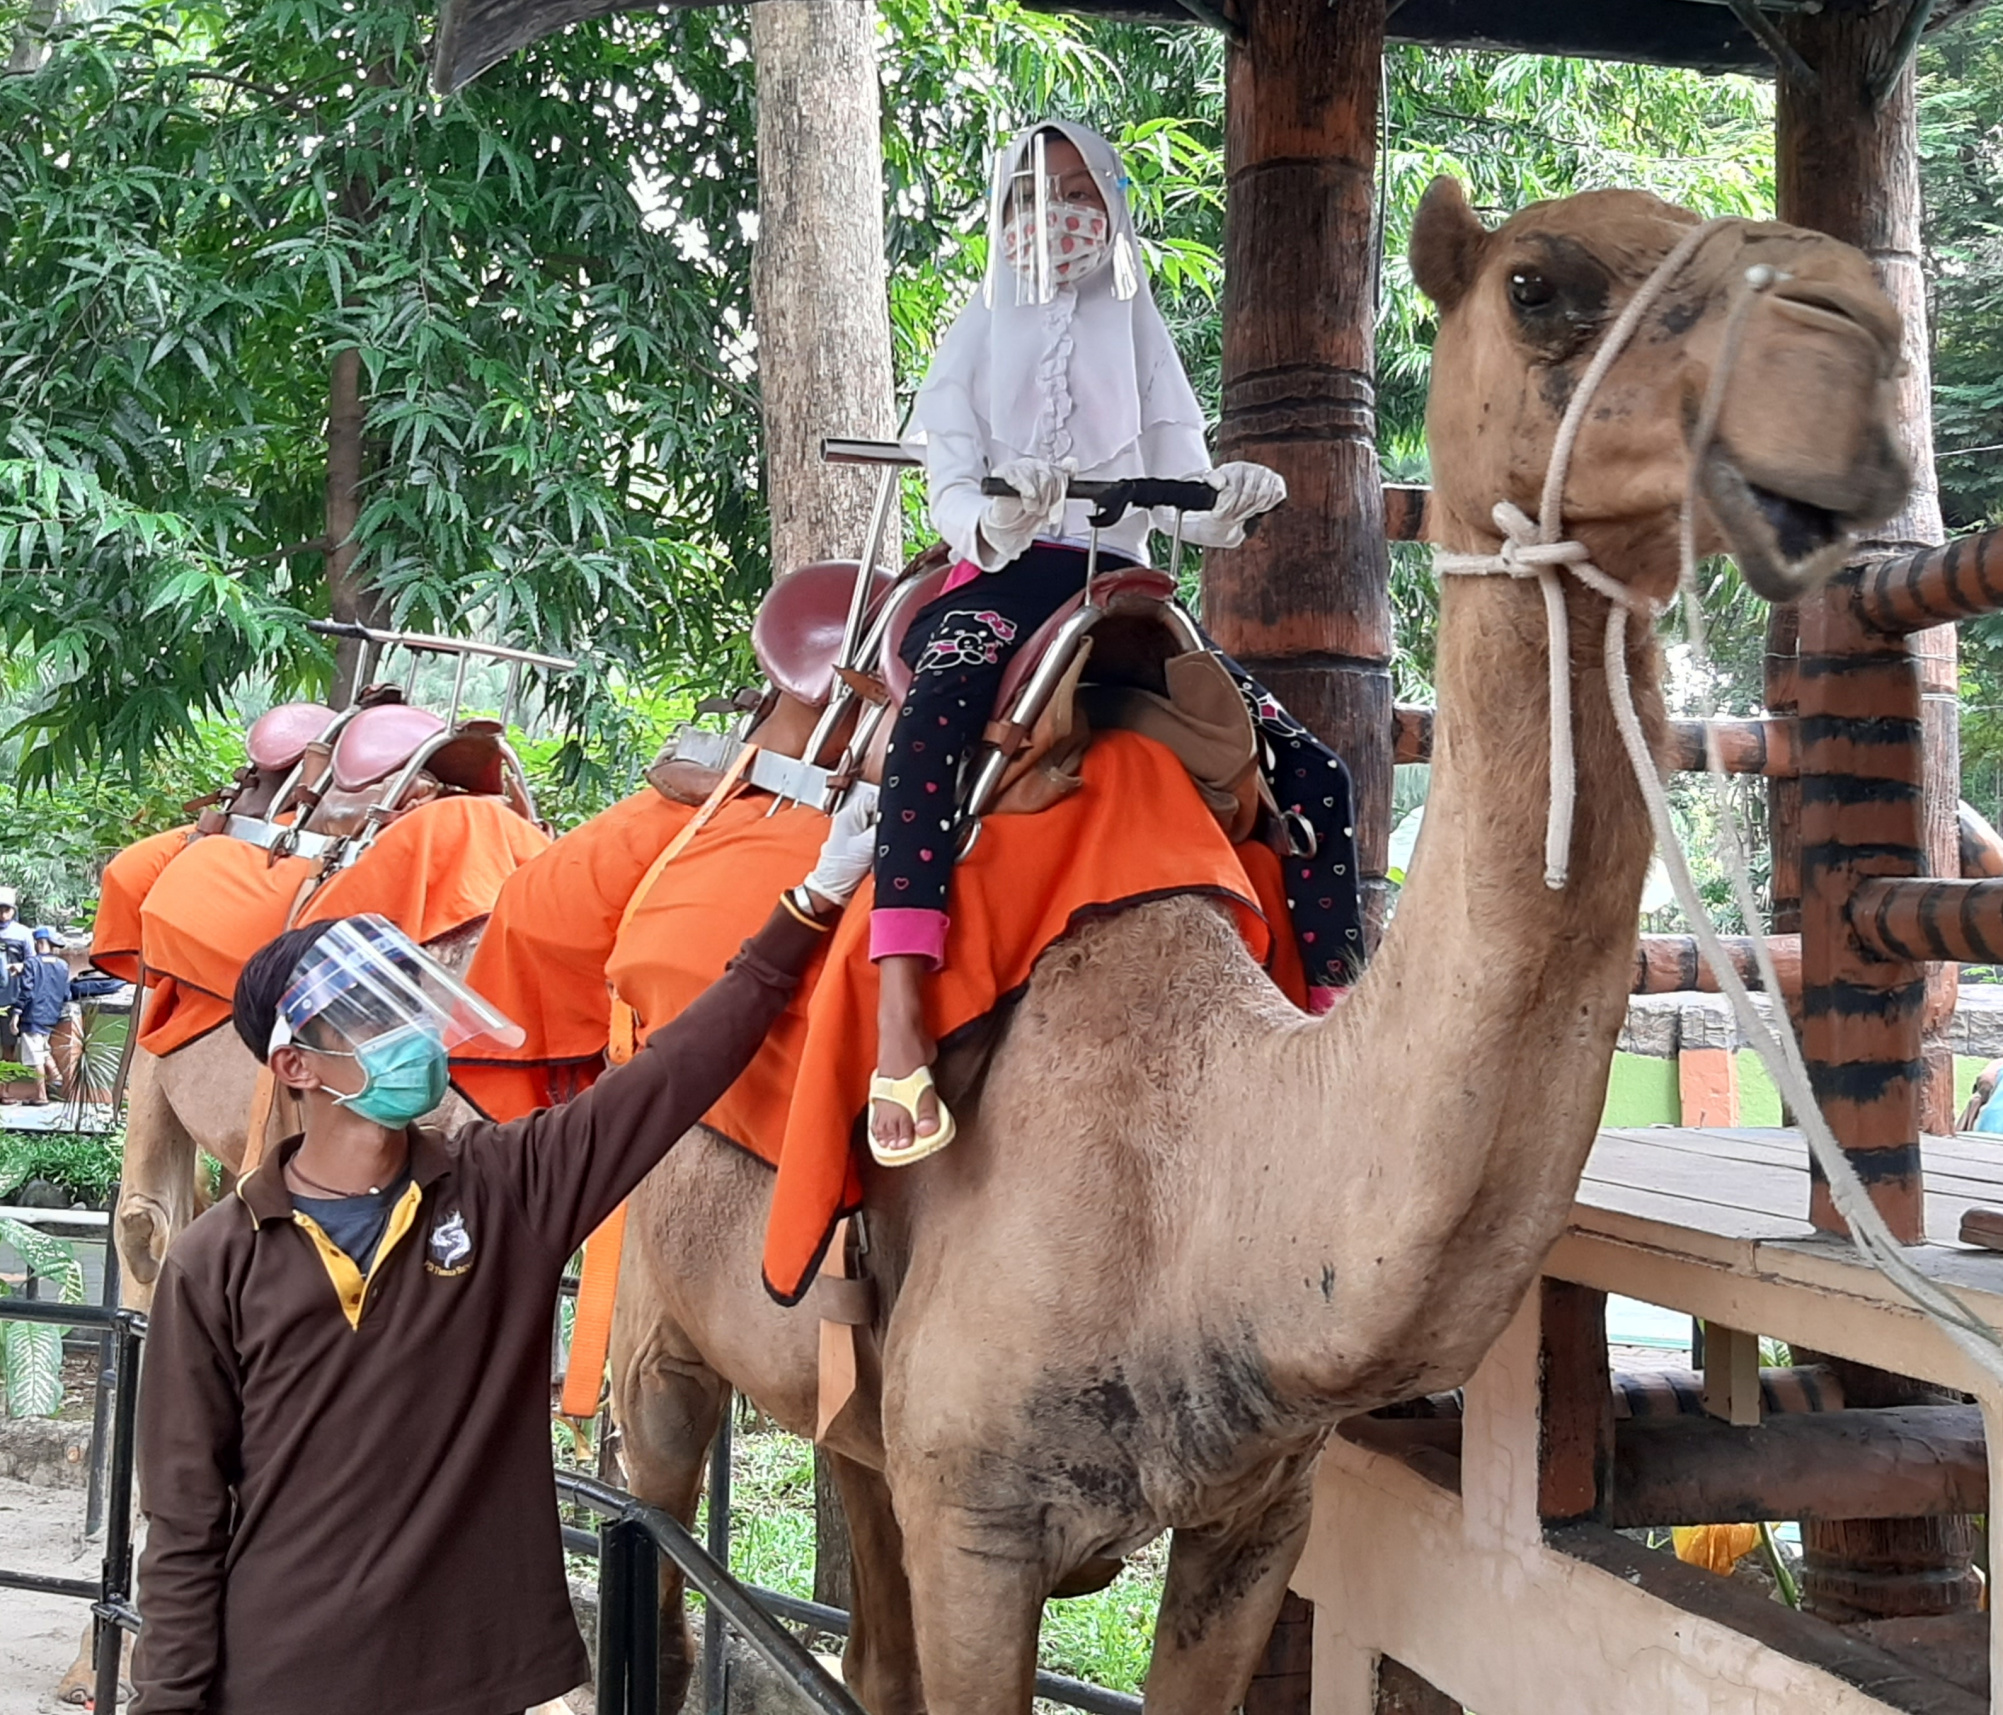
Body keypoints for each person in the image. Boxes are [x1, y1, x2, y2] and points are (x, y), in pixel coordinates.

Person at [128, 793, 879, 1715]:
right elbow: (184, 1513)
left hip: (469, 1682)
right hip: (280, 1677)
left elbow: (673, 1072)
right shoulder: (217, 1260)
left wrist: (811, 899)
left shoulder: (506, 1189)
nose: (411, 1034)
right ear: (297, 1067)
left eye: (412, 1006)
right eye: (372, 1015)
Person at [868, 119, 1364, 1163]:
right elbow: (949, 477)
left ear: (1112, 206)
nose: (1054, 213)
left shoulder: (1138, 333)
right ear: (1000, 214)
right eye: (1030, 194)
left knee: (1313, 771)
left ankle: (1335, 1016)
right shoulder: (972, 331)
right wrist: (989, 517)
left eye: (1076, 188)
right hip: (1006, 577)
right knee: (931, 724)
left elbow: (1178, 483)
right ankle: (898, 1020)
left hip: (1128, 588)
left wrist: (1223, 500)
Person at [10, 928, 73, 1105]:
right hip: (52, 1016)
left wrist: (16, 1014)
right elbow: (66, 993)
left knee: (35, 1056)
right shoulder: (63, 965)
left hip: (32, 1017)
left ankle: (41, 1095)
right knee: (42, 1048)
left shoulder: (31, 964)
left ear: (38, 943)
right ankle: (56, 1075)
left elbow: (26, 991)